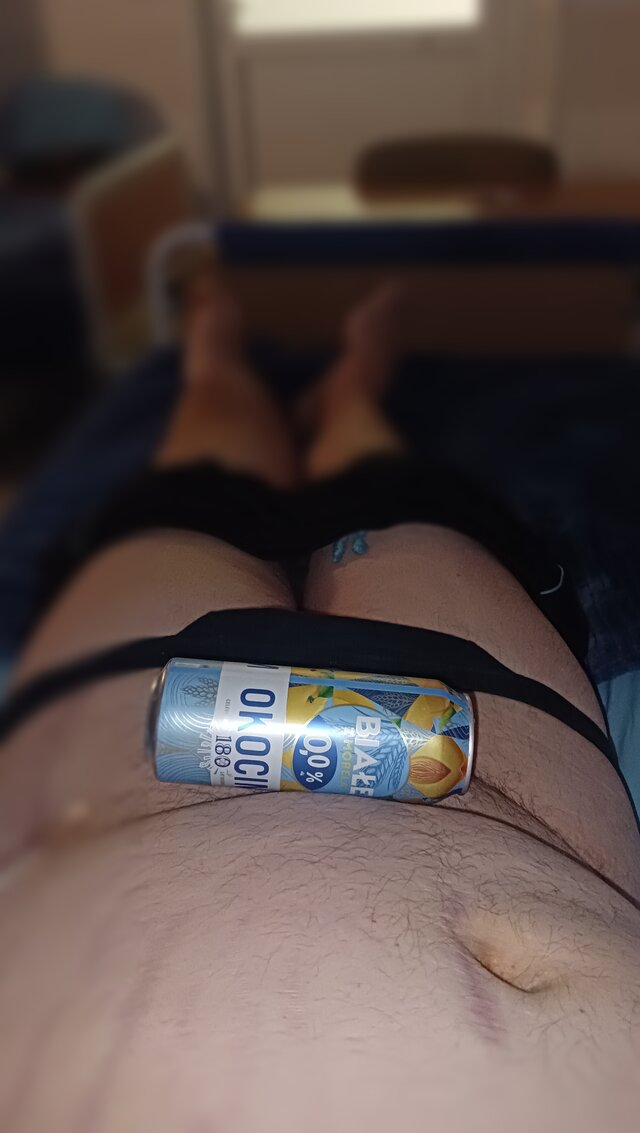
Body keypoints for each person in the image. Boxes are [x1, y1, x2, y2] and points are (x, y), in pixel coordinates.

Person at [1, 280, 639, 1132]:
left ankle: (285, 377)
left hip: (127, 701)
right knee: (396, 500)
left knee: (201, 487)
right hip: (488, 727)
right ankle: (300, 381)